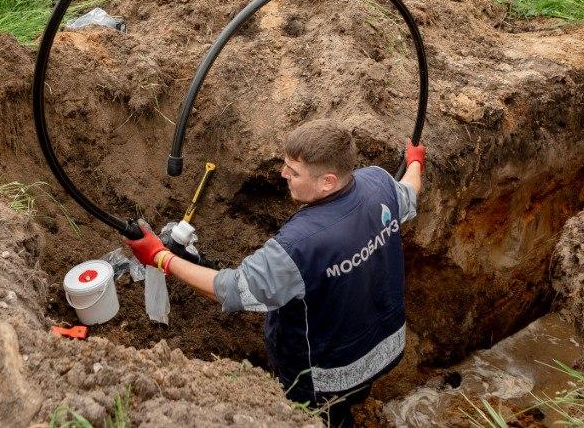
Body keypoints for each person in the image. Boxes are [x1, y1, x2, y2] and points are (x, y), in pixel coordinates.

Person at [126, 119, 425, 427]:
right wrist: (414, 161)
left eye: (293, 172)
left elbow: (228, 289)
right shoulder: (379, 183)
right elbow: (409, 191)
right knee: (354, 395)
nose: (283, 175)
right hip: (385, 347)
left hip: (324, 376)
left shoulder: (299, 246)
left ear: (328, 181)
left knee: (323, 419)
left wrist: (161, 258)